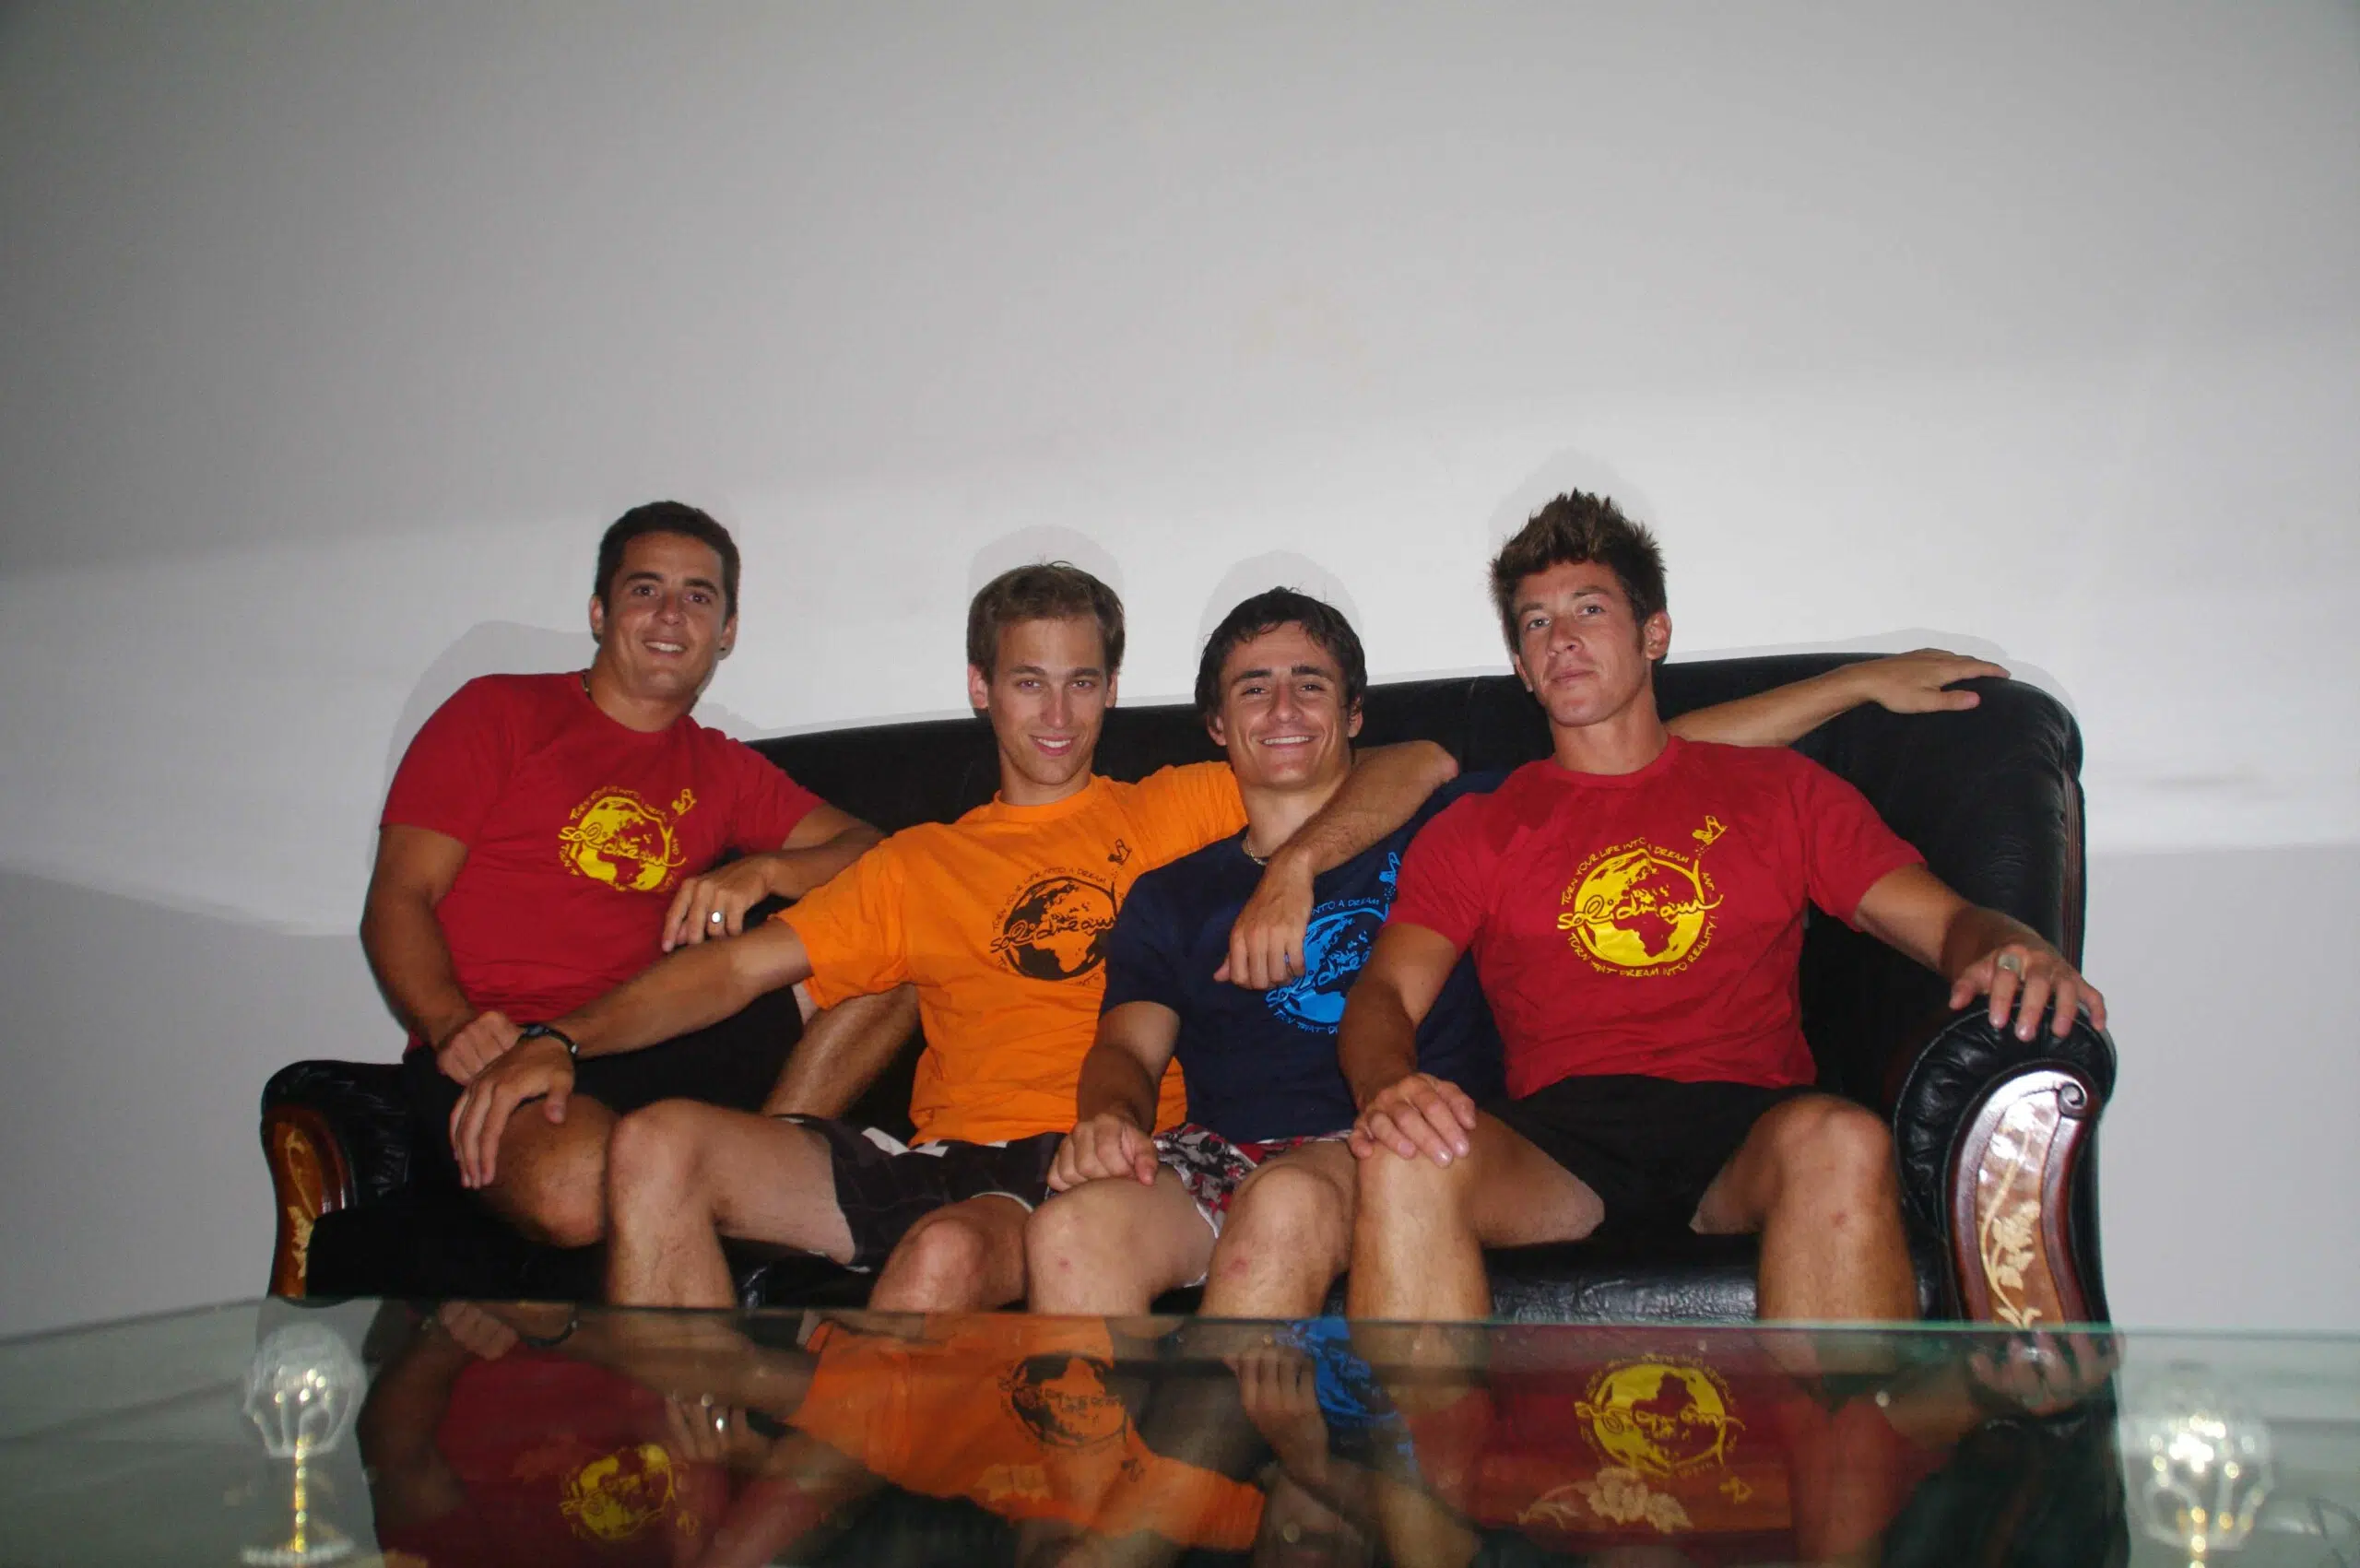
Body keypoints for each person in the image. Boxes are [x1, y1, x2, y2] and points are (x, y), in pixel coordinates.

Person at [452, 561, 1463, 1313]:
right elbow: (731, 970)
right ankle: (683, 1473)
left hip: (1088, 1161)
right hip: (930, 1151)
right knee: (652, 1143)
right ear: (981, 687)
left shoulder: (1179, 804)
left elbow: (1412, 761)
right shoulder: (920, 860)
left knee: (941, 1255)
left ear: (1112, 689)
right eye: (1028, 682)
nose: (1057, 713)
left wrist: (1293, 866)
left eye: (1082, 681)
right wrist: (563, 1038)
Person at [1026, 587, 2012, 1322]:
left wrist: (1853, 686)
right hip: (1231, 1146)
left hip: (1381, 1140)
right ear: (1215, 724)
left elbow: (1649, 754)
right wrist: (1110, 1119)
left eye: (1310, 684)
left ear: (1356, 716)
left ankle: (1244, 1497)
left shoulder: (1454, 820)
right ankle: (1120, 1508)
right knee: (1069, 1229)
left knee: (1289, 1204)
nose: (1283, 708)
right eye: (1254, 688)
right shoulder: (1169, 895)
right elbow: (1125, 1049)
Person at [1339, 490, 2108, 1330]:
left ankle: (1854, 1422)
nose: (1560, 638)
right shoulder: (1479, 827)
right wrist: (1388, 1086)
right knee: (1403, 1161)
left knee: (1843, 1140)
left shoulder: (1780, 791)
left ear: (1654, 634)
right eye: (1535, 623)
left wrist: (2012, 943)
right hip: (1557, 1137)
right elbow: (1383, 994)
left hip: (1747, 1124)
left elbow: (1946, 924)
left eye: (1589, 609)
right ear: (1522, 667)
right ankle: (1429, 1427)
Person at [365, 501, 906, 1249]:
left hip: (643, 1029)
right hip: (500, 1041)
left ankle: (760, 1165)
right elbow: (398, 896)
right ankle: (726, 1189)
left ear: (727, 631)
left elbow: (875, 852)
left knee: (890, 966)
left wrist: (767, 869)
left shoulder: (722, 767)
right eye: (645, 589)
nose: (670, 614)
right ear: (600, 611)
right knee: (576, 1192)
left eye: (698, 596)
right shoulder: (497, 711)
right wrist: (448, 1020)